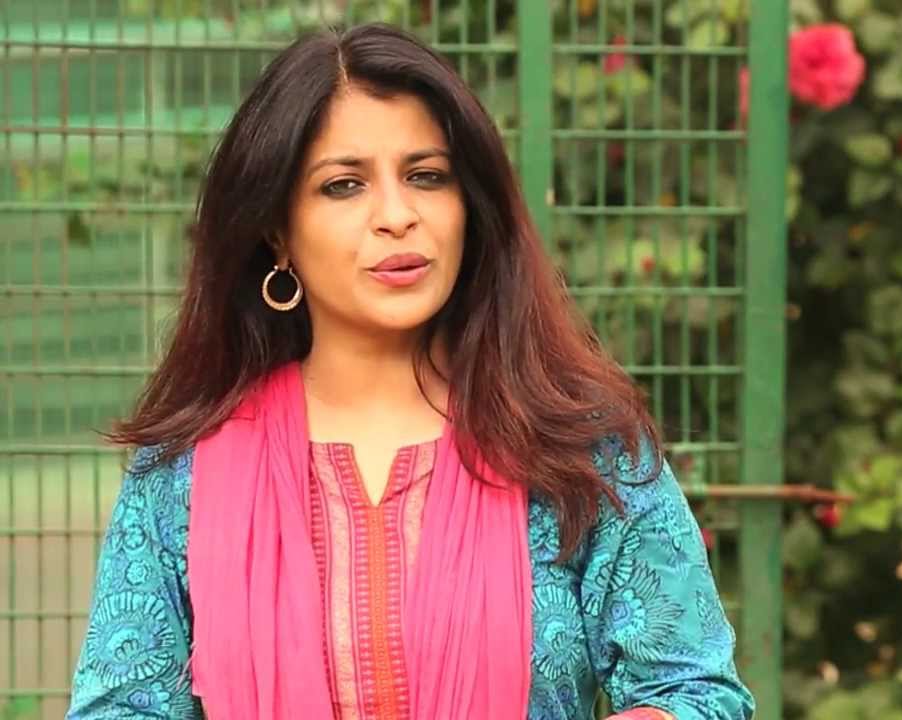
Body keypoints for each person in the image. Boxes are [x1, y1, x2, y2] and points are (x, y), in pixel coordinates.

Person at [65, 22, 754, 720]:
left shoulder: (578, 448)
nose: (397, 216)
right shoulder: (184, 473)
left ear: (468, 207)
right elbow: (120, 709)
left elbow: (694, 691)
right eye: (343, 185)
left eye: (427, 176)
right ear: (277, 231)